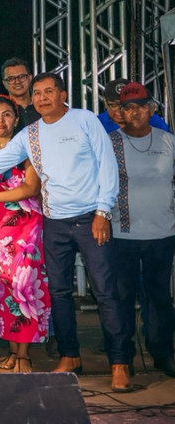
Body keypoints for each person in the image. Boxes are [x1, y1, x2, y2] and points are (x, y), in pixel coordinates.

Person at [0, 72, 133, 392]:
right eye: (37, 93)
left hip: (92, 217)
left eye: (49, 91)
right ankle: (70, 355)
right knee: (60, 293)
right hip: (55, 221)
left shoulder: (85, 120)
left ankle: (119, 362)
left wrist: (103, 211)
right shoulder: (31, 135)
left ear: (63, 94)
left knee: (105, 291)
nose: (43, 97)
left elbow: (107, 166)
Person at [0, 95, 50, 374]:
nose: (1, 120)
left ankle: (24, 354)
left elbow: (31, 188)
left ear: (16, 119)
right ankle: (11, 350)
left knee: (24, 286)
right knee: (1, 288)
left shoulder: (27, 149)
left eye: (7, 114)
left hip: (25, 228)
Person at [110, 82, 175, 378]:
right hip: (122, 235)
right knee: (122, 298)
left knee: (160, 296)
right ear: (121, 113)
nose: (135, 112)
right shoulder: (111, 143)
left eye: (140, 106)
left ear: (151, 109)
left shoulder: (168, 141)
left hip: (162, 232)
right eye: (128, 107)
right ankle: (123, 358)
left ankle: (163, 353)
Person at [98, 78, 170, 134]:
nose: (120, 110)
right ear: (105, 103)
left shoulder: (151, 119)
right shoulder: (95, 123)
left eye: (127, 105)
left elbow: (169, 145)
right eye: (114, 105)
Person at [0, 57, 41, 130]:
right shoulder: (0, 113)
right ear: (4, 83)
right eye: (11, 79)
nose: (17, 82)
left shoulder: (43, 107)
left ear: (30, 78)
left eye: (22, 77)